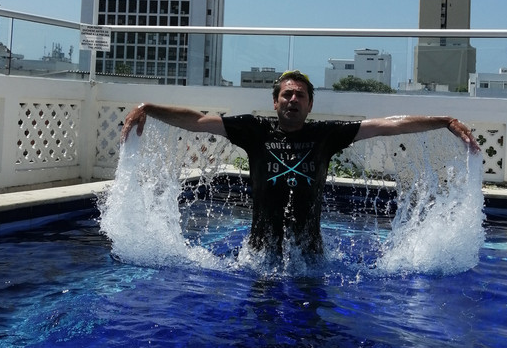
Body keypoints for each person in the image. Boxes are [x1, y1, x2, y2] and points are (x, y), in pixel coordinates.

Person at [121, 70, 480, 256]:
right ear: (275, 102)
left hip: (311, 259)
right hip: (259, 257)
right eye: (286, 95)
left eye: (300, 95)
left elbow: (387, 125)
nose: (293, 99)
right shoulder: (253, 130)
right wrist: (149, 108)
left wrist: (443, 120)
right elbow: (197, 120)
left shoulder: (326, 135)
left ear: (310, 104)